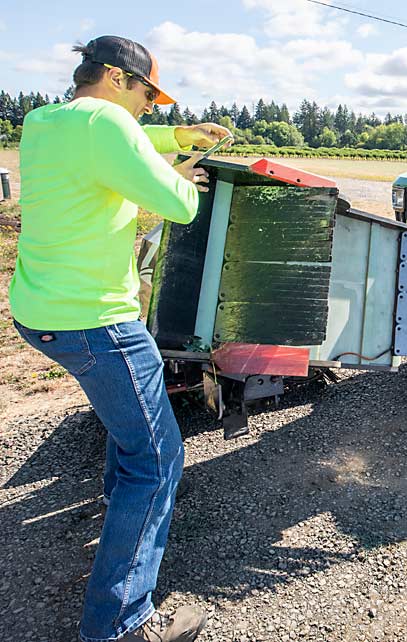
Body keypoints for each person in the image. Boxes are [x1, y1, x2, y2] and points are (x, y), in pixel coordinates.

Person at [9, 36, 231, 642]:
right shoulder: (110, 124)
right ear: (115, 78)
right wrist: (184, 173)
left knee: (128, 423)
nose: (151, 109)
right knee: (157, 461)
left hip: (39, 314)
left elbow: (121, 140)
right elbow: (180, 205)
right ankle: (121, 623)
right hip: (96, 322)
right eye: (146, 94)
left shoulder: (44, 120)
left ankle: (118, 516)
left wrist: (179, 137)